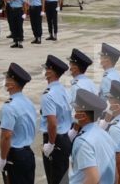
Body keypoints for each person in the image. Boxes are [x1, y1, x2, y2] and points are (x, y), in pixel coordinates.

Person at [0, 63, 37, 184]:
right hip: (28, 154)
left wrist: (3, 158)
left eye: (7, 78)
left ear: (12, 83)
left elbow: (6, 136)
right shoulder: (28, 102)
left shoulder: (9, 106)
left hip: (15, 156)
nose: (5, 82)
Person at [68, 89, 115, 184]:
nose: (74, 112)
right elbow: (115, 172)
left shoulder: (83, 141)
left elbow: (93, 179)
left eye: (76, 109)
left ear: (83, 116)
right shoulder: (104, 134)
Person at [41, 55, 72, 184]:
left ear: (50, 72)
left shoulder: (48, 95)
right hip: (64, 138)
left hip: (55, 140)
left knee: (54, 179)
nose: (44, 71)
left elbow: (52, 123)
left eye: (46, 69)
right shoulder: (64, 90)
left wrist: (51, 144)